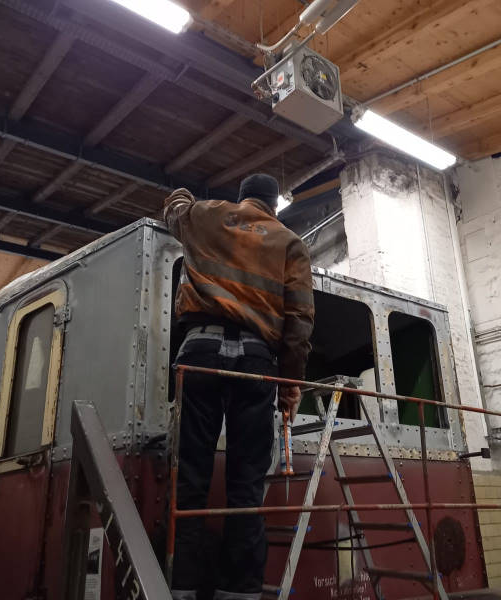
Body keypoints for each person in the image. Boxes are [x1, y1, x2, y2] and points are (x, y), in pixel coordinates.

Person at [163, 173, 315, 600]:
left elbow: (175, 205)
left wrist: (185, 197)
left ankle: (182, 587)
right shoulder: (290, 243)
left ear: (243, 197)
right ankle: (240, 593)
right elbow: (300, 321)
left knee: (190, 478)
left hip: (199, 351)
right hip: (255, 361)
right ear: (274, 205)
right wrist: (289, 387)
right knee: (246, 483)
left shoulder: (206, 215)